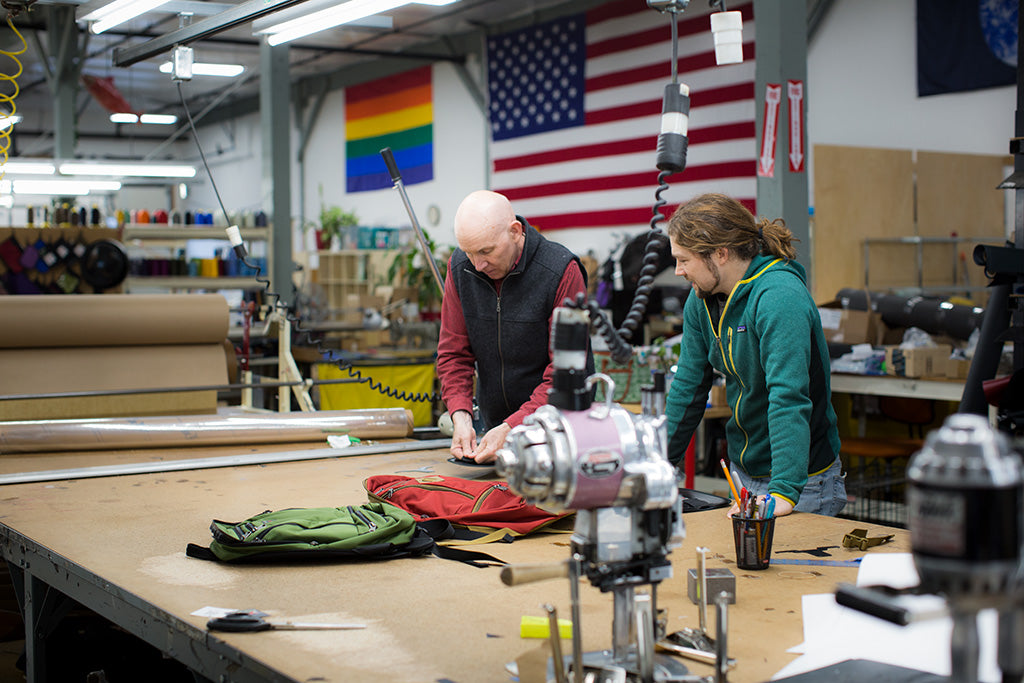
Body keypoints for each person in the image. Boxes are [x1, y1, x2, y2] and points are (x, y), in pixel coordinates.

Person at [662, 193, 845, 517]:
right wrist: (659, 464)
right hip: (745, 476)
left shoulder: (778, 297)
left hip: (800, 483)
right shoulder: (701, 300)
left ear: (720, 254)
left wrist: (784, 493)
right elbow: (688, 385)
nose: (678, 271)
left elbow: (787, 396)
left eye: (684, 260)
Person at [436, 190, 593, 464]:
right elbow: (453, 353)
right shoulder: (461, 268)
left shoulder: (561, 271)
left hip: (559, 434)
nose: (478, 264)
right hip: (494, 431)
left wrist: (514, 426)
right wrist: (460, 415)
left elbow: (566, 373)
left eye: (486, 251)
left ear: (515, 231)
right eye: (469, 252)